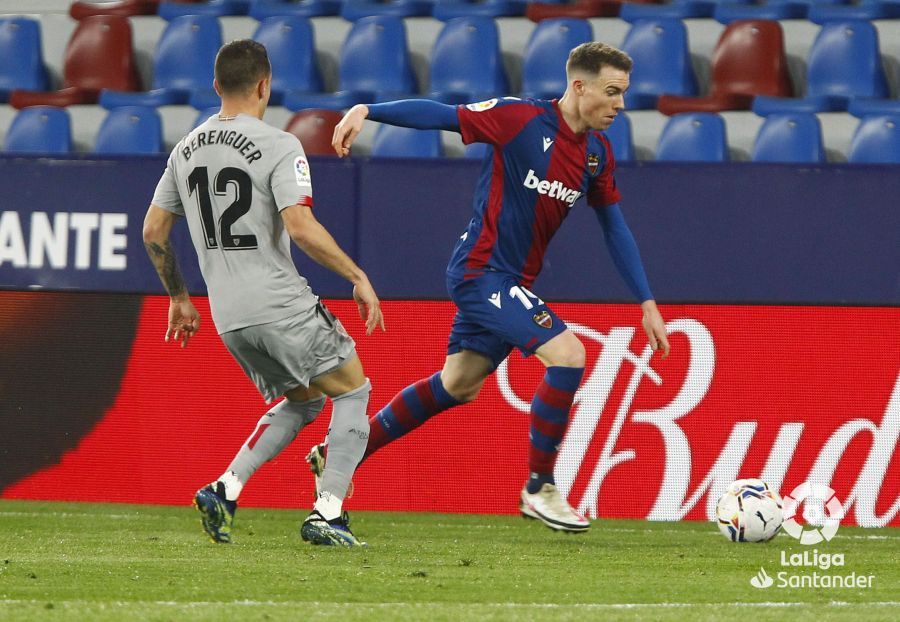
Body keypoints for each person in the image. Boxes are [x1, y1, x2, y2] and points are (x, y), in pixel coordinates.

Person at [308, 42, 671, 533]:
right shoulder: (519, 118)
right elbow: (443, 115)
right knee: (568, 355)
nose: (620, 105)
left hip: (510, 280)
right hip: (481, 272)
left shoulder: (595, 153)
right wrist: (367, 109)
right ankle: (539, 487)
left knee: (457, 385)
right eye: (612, 92)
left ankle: (343, 453)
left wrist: (646, 301)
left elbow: (614, 225)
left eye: (623, 94)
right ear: (578, 86)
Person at [142, 40, 383, 547]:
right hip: (277, 301)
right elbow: (300, 227)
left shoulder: (184, 149)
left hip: (228, 315)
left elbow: (153, 231)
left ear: (215, 87)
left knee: (304, 401)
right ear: (264, 85)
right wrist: (357, 275)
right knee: (353, 390)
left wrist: (180, 298)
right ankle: (328, 513)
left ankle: (225, 489)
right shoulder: (280, 144)